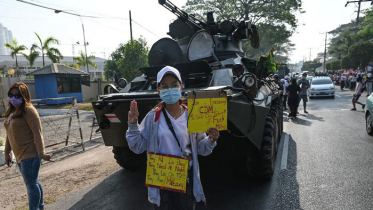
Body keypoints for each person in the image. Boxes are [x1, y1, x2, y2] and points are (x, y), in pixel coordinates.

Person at [126, 66, 219, 209]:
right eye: (165, 86)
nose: (170, 89)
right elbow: (138, 147)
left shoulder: (192, 116)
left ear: (181, 87)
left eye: (174, 85)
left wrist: (211, 140)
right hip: (161, 182)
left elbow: (201, 148)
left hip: (186, 181)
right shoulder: (153, 118)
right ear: (159, 90)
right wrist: (133, 125)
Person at [4, 82, 52, 210]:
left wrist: (41, 153)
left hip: (30, 154)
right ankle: (40, 207)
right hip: (20, 155)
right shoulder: (13, 112)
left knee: (31, 184)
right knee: (34, 182)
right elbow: (9, 134)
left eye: (17, 95)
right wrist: (7, 152)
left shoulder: (29, 111)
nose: (13, 98)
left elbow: (37, 133)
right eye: (11, 95)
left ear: (24, 95)